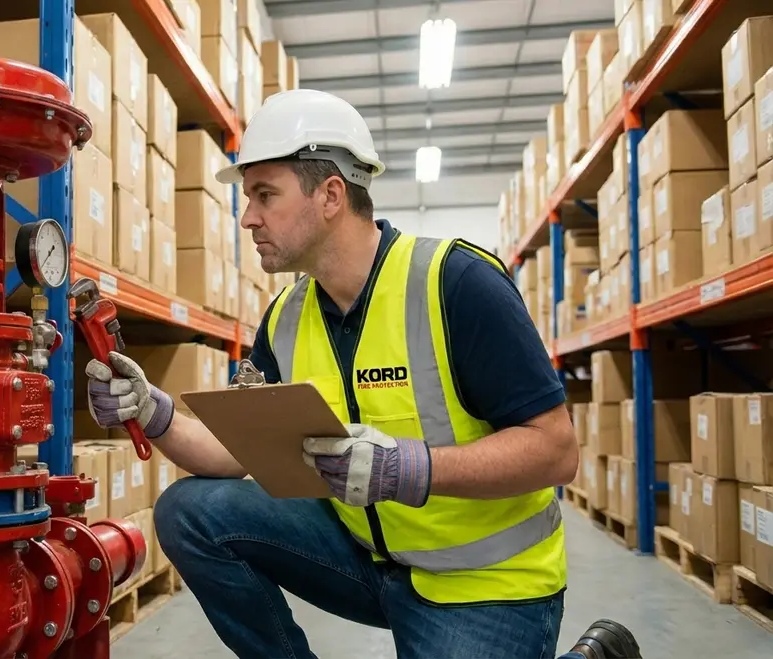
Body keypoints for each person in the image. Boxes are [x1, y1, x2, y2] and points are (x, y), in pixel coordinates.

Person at [83, 89, 642, 659]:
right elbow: (236, 454)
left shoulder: (456, 284)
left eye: (264, 195)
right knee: (190, 512)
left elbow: (556, 452)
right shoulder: (286, 318)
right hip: (365, 558)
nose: (247, 217)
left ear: (330, 195)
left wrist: (408, 469)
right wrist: (153, 412)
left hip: (485, 580)